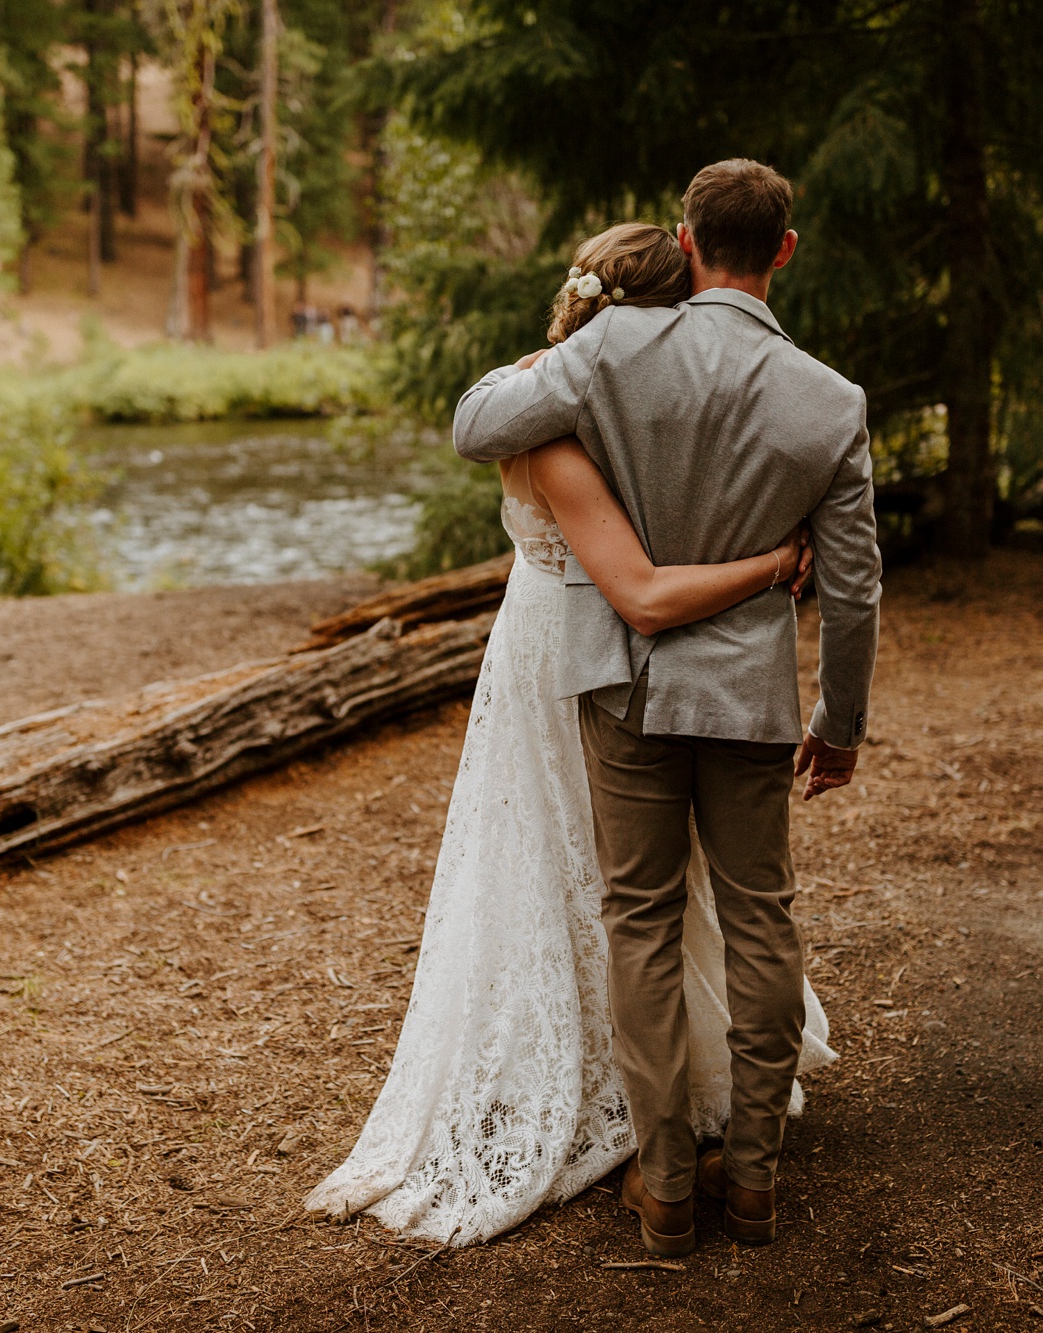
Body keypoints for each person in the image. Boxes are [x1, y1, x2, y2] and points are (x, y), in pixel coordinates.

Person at [303, 220, 839, 1247]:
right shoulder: (559, 408)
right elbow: (634, 586)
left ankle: (659, 1105)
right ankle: (603, 1086)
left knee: (633, 886)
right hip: (573, 656)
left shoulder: (559, 386)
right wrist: (776, 566)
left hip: (580, 642)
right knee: (578, 874)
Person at [450, 159, 881, 1257]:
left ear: (687, 240)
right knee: (759, 917)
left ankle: (665, 1185)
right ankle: (753, 1182)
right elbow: (852, 585)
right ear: (784, 249)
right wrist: (836, 722)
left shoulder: (609, 351)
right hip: (747, 697)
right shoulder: (829, 402)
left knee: (637, 919)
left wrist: (556, 349)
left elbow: (476, 426)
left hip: (628, 693)